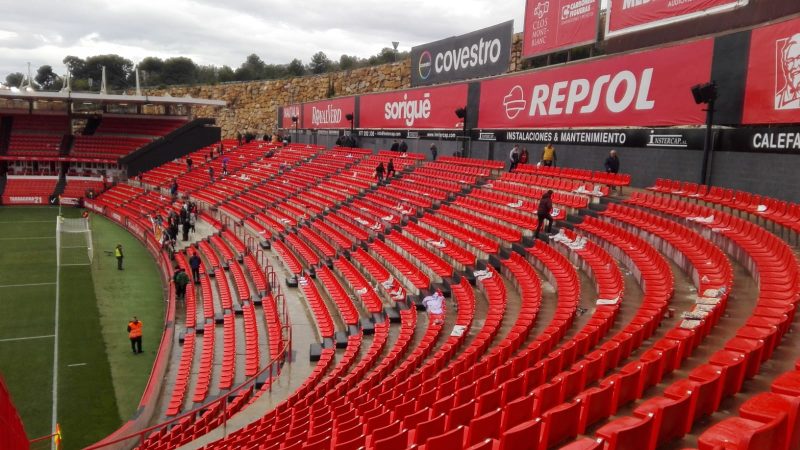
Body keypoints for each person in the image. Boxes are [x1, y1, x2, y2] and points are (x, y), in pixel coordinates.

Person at [776, 34, 800, 110]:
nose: (795, 65)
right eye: (790, 60)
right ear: (784, 66)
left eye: (799, 58)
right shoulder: (777, 99)